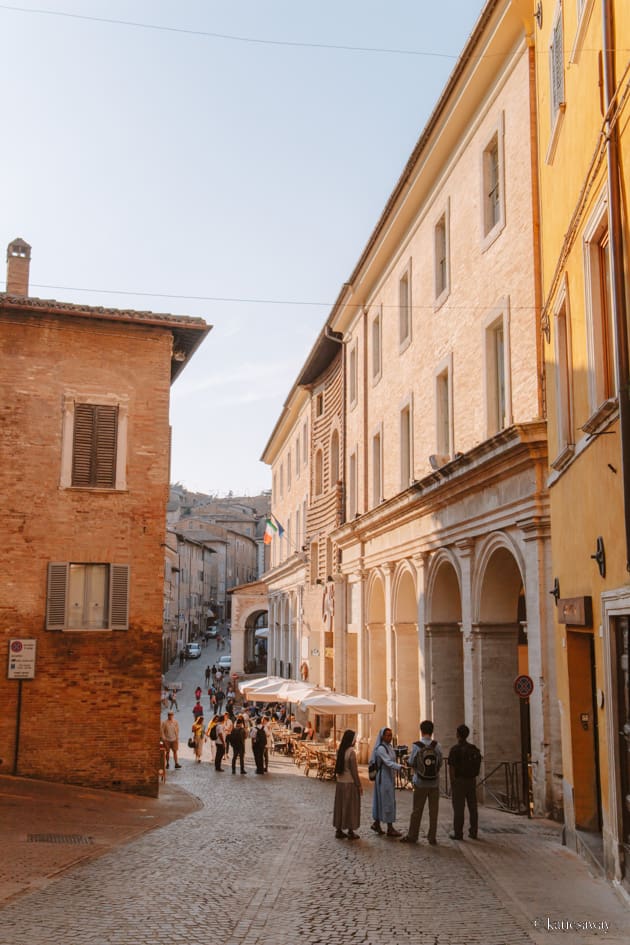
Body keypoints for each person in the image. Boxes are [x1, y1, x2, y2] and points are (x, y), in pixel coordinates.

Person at [401, 720, 443, 845]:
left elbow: (412, 762)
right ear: (432, 731)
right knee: (433, 811)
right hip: (434, 783)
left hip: (420, 782)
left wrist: (407, 761)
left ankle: (413, 835)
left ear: (421, 730)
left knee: (417, 810)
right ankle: (432, 837)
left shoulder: (417, 746)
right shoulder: (437, 745)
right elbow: (440, 763)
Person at [448, 724, 481, 840]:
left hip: (459, 781)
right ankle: (473, 831)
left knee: (458, 808)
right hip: (471, 780)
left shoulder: (454, 749)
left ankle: (458, 833)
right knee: (473, 807)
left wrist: (452, 784)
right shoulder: (473, 749)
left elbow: (451, 768)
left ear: (457, 734)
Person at [369, 727, 403, 837]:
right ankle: (390, 827)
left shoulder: (389, 747)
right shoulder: (381, 749)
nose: (389, 737)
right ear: (382, 736)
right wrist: (400, 767)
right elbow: (388, 762)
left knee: (384, 799)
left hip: (388, 776)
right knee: (387, 800)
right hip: (383, 777)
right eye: (387, 735)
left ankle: (377, 823)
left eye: (390, 735)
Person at [333, 729, 363, 840]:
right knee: (351, 807)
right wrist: (359, 785)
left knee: (340, 806)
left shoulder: (340, 750)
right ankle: (350, 830)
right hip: (349, 783)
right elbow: (354, 771)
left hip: (340, 783)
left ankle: (339, 829)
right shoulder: (351, 752)